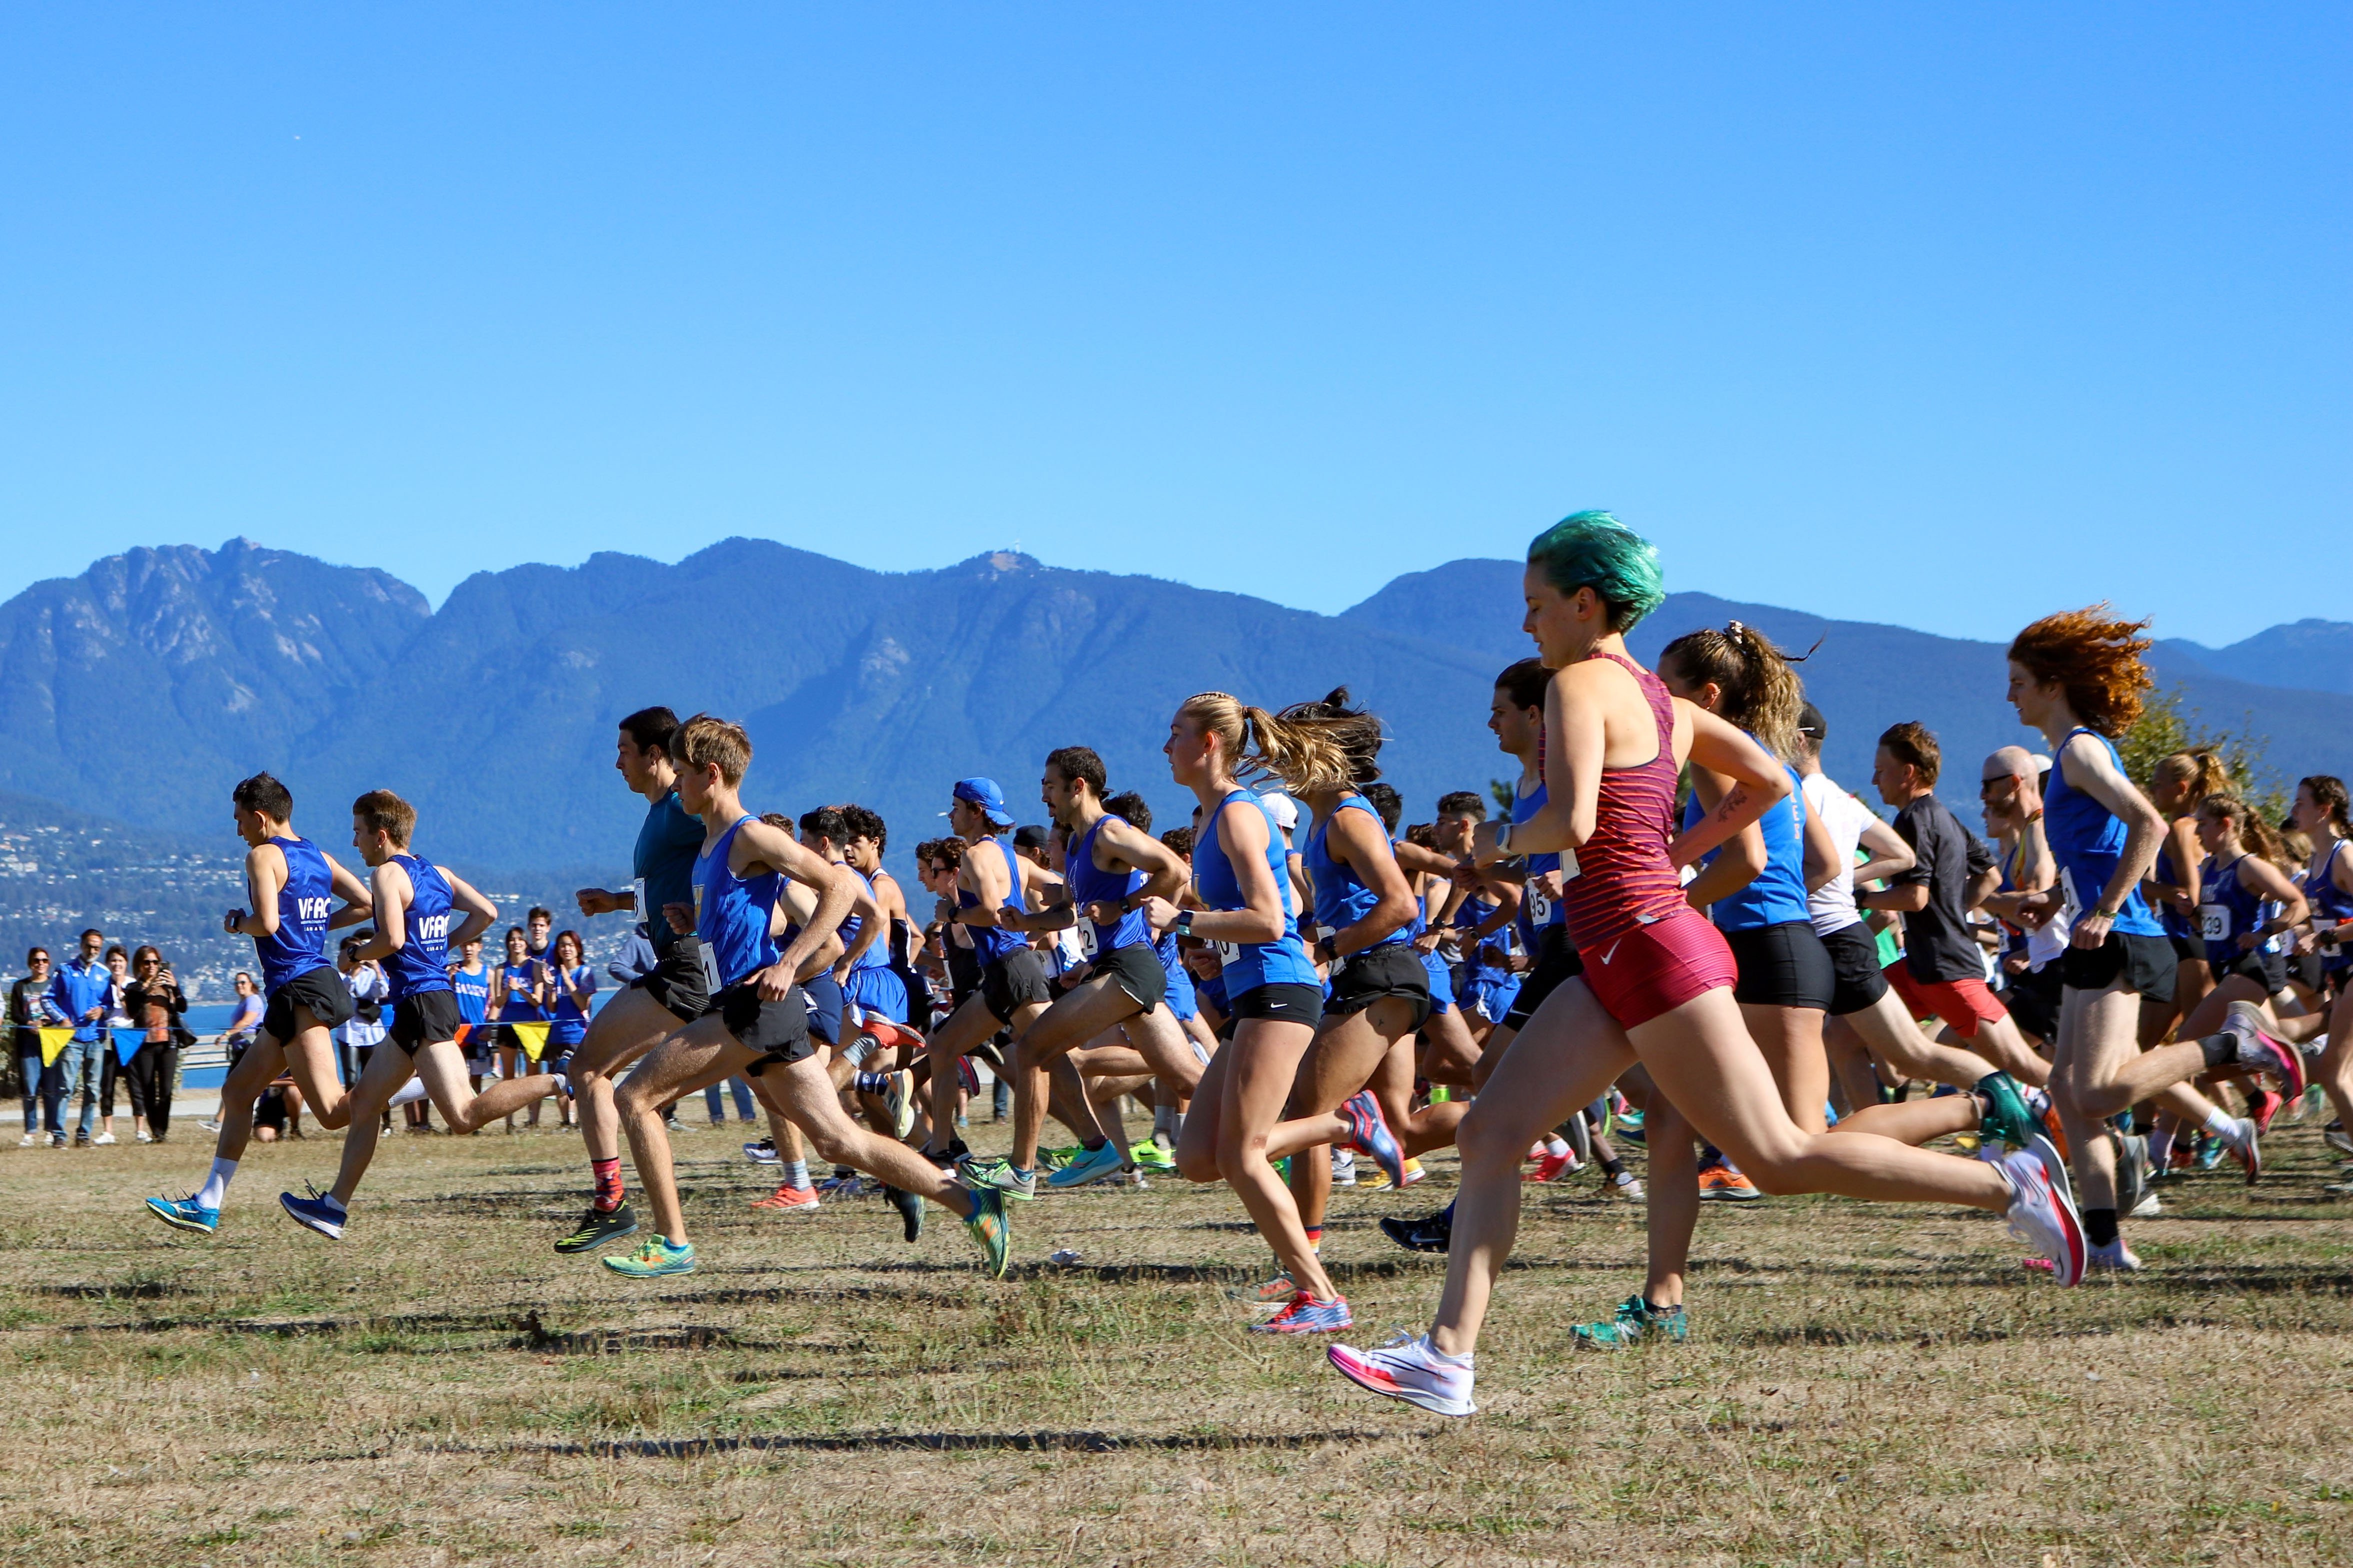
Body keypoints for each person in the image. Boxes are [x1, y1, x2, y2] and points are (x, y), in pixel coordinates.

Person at [1328, 511, 2082, 1418]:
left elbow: (1566, 823)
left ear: (1583, 602)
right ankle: (1447, 1357)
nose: (1526, 626)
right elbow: (1768, 784)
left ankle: (2008, 1182)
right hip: (1621, 945)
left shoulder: (1577, 689)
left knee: (1779, 1155)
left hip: (1645, 944)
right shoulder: (1665, 703)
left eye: (1534, 606)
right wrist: (1679, 851)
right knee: (1491, 1132)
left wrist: (1497, 845)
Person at [602, 714, 1010, 1280]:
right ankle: (972, 1202)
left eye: (684, 771)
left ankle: (672, 1240)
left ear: (711, 775)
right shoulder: (711, 847)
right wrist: (694, 920)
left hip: (754, 1007)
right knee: (837, 1140)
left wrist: (790, 964)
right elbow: (743, 919)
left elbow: (841, 887)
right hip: (752, 1009)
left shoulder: (749, 834)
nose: (677, 781)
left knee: (634, 1097)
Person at [2004, 609, 2301, 1268]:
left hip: (2125, 939)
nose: (2009, 695)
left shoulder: (2079, 750)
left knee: (2101, 1094)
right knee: (2068, 1094)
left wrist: (2105, 909)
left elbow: (2150, 826)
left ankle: (2237, 1041)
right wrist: (2060, 900)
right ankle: (2103, 1245)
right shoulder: (2067, 757)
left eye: (2019, 681)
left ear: (2052, 684)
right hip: (2098, 936)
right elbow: (2103, 847)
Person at [1150, 691, 1376, 1335]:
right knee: (1197, 1157)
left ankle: (1319, 1296)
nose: (1165, 745)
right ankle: (1345, 1122)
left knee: (1244, 1154)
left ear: (1209, 743)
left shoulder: (1239, 814)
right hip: (1251, 992)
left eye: (1175, 732)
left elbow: (1270, 918)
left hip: (1281, 987)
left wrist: (1186, 918)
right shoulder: (1204, 817)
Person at [277, 790, 564, 1239]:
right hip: (418, 1002)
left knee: (463, 1116)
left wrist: (355, 953)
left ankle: (560, 1078)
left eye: (358, 832)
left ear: (381, 834)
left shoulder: (387, 874)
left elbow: (390, 939)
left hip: (423, 1003)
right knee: (366, 1102)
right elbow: (486, 912)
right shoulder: (439, 873)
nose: (355, 843)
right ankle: (333, 1206)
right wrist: (439, 948)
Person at [964, 746, 1197, 1200]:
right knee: (1187, 1077)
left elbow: (1175, 870)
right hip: (1116, 968)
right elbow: (1070, 914)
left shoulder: (1111, 832)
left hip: (1130, 966)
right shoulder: (1074, 843)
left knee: (1032, 1047)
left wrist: (1124, 905)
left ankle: (1024, 1171)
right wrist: (1026, 922)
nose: (1043, 794)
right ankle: (1273, 1131)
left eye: (1050, 785)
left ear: (1078, 786)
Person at [146, 773, 373, 1236]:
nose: (238, 831)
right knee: (237, 1092)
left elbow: (266, 923)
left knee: (331, 1112)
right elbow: (366, 903)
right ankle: (207, 1203)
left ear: (261, 817)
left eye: (240, 820)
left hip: (299, 988)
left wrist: (236, 923)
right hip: (302, 987)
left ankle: (429, 1085)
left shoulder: (261, 856)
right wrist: (312, 928)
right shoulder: (318, 854)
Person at [556, 707, 722, 1253]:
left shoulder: (680, 806)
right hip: (684, 965)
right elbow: (671, 886)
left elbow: (739, 836)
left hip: (687, 969)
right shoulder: (663, 811)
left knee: (589, 1070)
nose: (616, 762)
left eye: (625, 750)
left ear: (656, 756)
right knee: (821, 1125)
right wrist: (616, 902)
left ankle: (613, 1205)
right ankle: (940, 1187)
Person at [1864, 722, 2052, 1089]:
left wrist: (1859, 897)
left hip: (1946, 970)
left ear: (1908, 773)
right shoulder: (1944, 815)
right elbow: (1991, 877)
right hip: (1921, 966)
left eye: (1881, 770)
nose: (1874, 779)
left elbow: (1914, 897)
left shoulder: (1912, 820)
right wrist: (1952, 909)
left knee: (2023, 1064)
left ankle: (2089, 1118)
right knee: (1843, 1032)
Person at [918, 779, 1056, 1169]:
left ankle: (1098, 1144)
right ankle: (942, 1148)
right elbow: (1063, 888)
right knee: (943, 1047)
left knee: (1060, 1060)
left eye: (957, 807)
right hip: (1003, 971)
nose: (952, 815)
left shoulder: (977, 857)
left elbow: (993, 913)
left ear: (977, 812)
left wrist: (953, 913)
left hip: (1012, 970)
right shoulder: (1014, 858)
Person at [46, 929, 111, 1148]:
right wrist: (61, 1018)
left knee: (93, 1089)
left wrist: (102, 1010)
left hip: (96, 1038)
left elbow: (111, 1005)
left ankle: (84, 1134)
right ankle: (58, 1134)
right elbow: (48, 998)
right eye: (89, 946)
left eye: (97, 948)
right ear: (81, 945)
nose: (92, 951)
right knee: (66, 1087)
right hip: (72, 1038)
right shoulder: (64, 971)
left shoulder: (105, 974)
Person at [120, 947, 188, 1144]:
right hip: (145, 1044)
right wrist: (146, 992)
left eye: (155, 962)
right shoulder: (133, 988)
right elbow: (131, 1012)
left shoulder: (167, 986)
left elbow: (182, 1007)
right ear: (139, 965)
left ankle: (162, 1131)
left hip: (168, 1042)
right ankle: (156, 1130)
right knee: (148, 1090)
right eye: (147, 963)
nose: (151, 966)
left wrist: (175, 987)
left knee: (166, 1090)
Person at [12, 949, 61, 1147]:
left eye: (44, 960)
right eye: (36, 960)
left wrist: (46, 1023)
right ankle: (30, 1132)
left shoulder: (55, 985)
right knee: (31, 1088)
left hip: (51, 1041)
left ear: (49, 963)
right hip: (28, 1043)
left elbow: (61, 1011)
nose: (40, 963)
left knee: (51, 1089)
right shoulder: (20, 986)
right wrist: (29, 1024)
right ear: (30, 963)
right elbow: (15, 1014)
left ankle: (50, 1131)